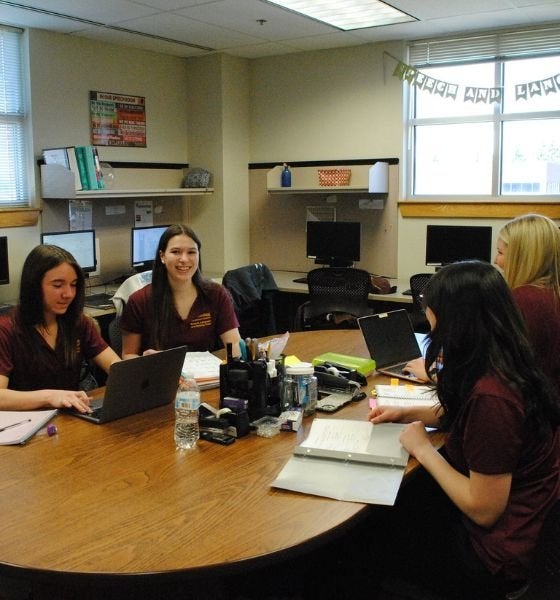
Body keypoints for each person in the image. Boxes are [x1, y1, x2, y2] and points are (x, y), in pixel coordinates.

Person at [368, 261, 559, 600]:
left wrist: (423, 448)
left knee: (372, 531)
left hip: (495, 557)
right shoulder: (504, 360)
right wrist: (410, 411)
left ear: (455, 318)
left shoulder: (493, 398)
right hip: (524, 527)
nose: (427, 312)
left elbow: (484, 510)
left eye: (431, 305)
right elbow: (473, 420)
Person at [0, 245, 120, 412]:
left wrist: (146, 366)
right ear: (34, 286)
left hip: (68, 420)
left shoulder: (78, 323)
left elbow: (116, 367)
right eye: (58, 285)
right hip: (25, 425)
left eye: (73, 285)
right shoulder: (7, 330)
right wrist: (50, 397)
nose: (69, 294)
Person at [121, 223, 242, 359]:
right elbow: (129, 355)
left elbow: (235, 344)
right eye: (176, 252)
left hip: (205, 377)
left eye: (191, 252)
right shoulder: (140, 300)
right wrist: (151, 362)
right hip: (161, 375)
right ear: (162, 256)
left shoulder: (216, 294)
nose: (184, 259)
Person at [495, 212, 560, 393]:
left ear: (521, 257)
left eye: (500, 253)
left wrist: (439, 376)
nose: (496, 261)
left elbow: (504, 373)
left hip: (535, 410)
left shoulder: (524, 301)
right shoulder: (551, 295)